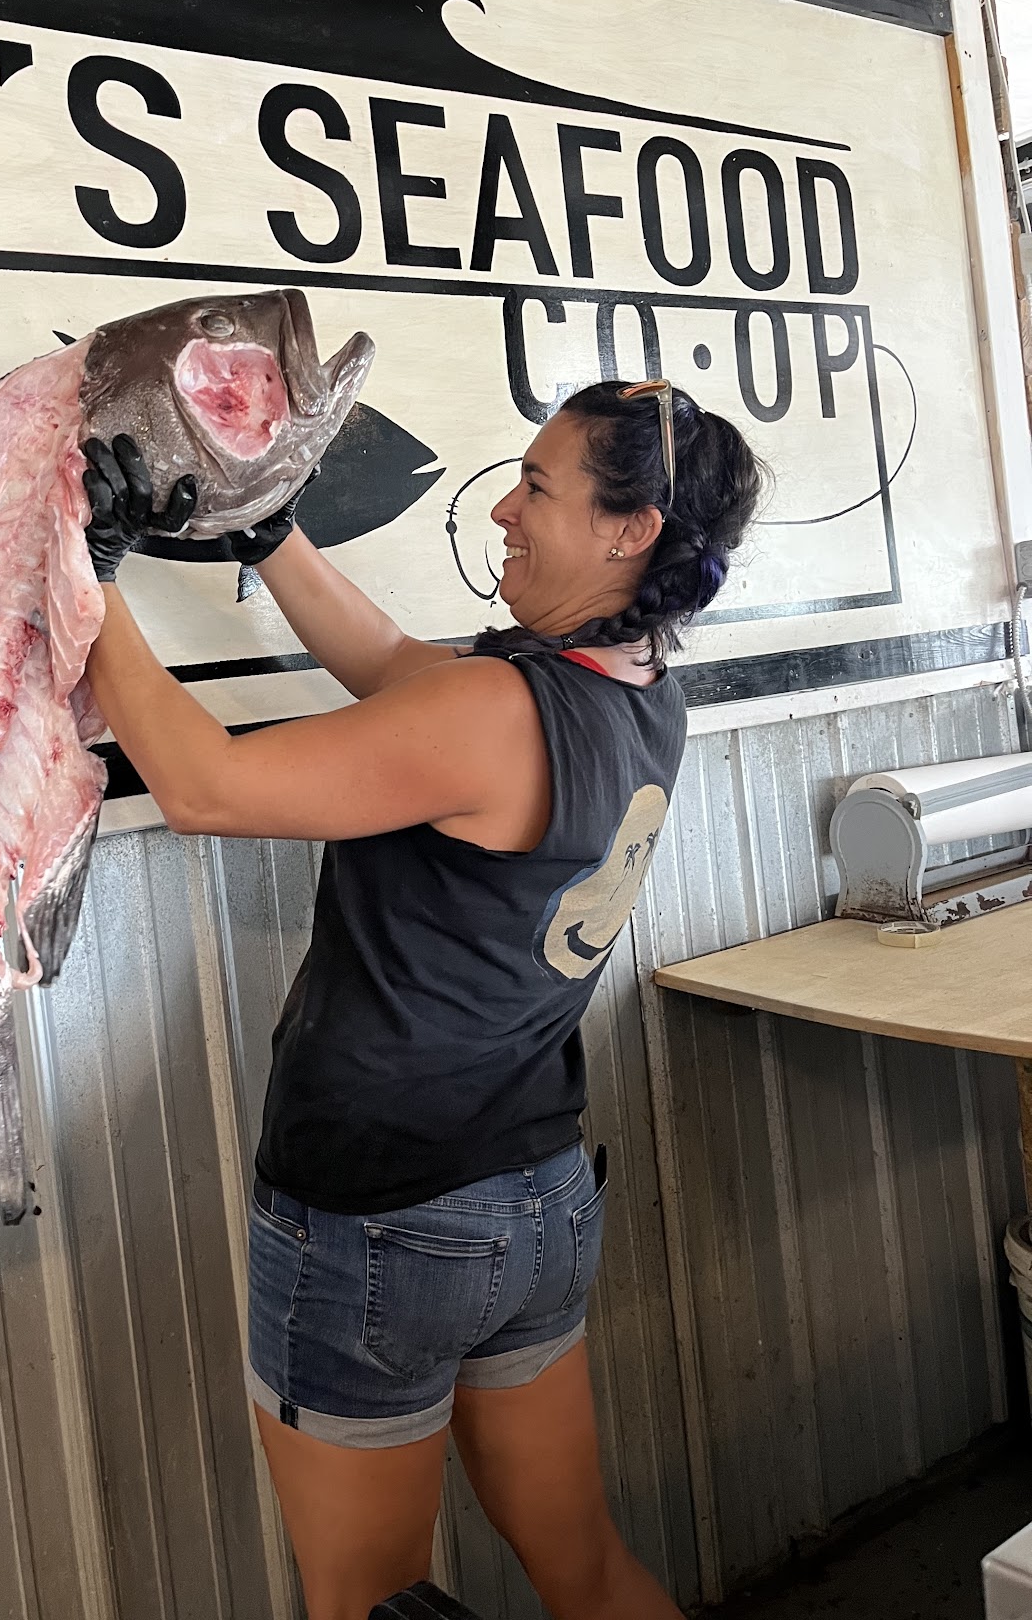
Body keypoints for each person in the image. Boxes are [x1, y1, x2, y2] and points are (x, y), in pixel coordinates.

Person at [81, 376, 764, 1620]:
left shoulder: (495, 710)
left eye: (538, 488)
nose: (503, 508)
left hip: (388, 1224)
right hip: (532, 1204)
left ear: (631, 530)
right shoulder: (635, 688)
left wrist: (86, 580)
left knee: (370, 1600)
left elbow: (204, 787)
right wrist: (268, 533)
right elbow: (399, 671)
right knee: (584, 1565)